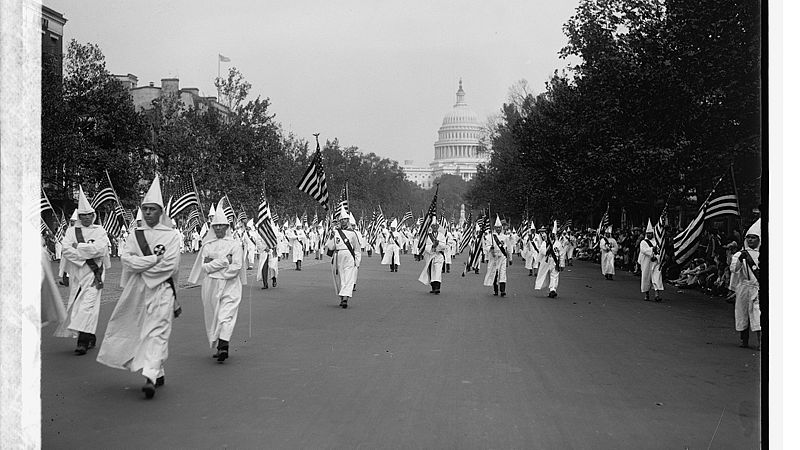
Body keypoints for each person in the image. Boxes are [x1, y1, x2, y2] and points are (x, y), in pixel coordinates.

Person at [97, 175, 182, 399]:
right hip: (137, 291)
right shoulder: (136, 234)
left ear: (160, 212)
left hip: (162, 289)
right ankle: (158, 369)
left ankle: (150, 376)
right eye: (144, 209)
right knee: (140, 329)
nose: (147, 213)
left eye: (152, 209)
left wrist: (143, 265)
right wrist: (153, 261)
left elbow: (170, 266)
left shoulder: (172, 236)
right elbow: (127, 260)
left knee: (158, 330)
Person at [53, 186, 111, 355]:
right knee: (79, 307)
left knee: (87, 305)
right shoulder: (72, 231)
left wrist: (79, 247)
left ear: (93, 215)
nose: (86, 218)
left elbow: (101, 250)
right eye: (83, 215)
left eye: (89, 215)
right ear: (79, 216)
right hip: (77, 275)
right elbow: (66, 250)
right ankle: (89, 335)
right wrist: (86, 250)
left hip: (94, 274)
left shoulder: (100, 230)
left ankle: (82, 342)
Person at [188, 200, 247, 362]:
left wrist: (217, 265)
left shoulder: (235, 245)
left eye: (222, 225)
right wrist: (223, 261)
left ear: (227, 227)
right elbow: (204, 267)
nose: (219, 228)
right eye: (216, 225)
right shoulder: (207, 245)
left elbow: (236, 266)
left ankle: (223, 346)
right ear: (213, 228)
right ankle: (219, 342)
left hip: (230, 284)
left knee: (226, 315)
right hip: (211, 285)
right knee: (213, 315)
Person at [730, 219, 761, 349]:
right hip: (743, 286)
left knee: (758, 315)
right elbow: (734, 269)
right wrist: (740, 259)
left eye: (753, 238)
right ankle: (744, 340)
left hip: (757, 288)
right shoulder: (739, 254)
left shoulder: (764, 255)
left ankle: (761, 342)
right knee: (742, 314)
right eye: (748, 238)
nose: (750, 240)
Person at [325, 207, 361, 308]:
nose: (343, 221)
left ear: (348, 221)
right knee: (340, 277)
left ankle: (346, 298)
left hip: (349, 256)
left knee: (349, 275)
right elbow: (331, 246)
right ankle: (342, 296)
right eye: (341, 220)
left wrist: (357, 262)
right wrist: (331, 237)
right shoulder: (336, 232)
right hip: (338, 255)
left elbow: (357, 248)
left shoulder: (353, 234)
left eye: (345, 219)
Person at [535, 223, 565, 298]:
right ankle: (551, 288)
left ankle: (552, 290)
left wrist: (561, 264)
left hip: (552, 261)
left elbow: (561, 254)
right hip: (548, 260)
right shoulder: (547, 243)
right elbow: (542, 252)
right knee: (550, 275)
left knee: (554, 275)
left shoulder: (553, 243)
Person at [483, 215, 511, 297]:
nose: (498, 229)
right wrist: (490, 248)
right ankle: (495, 289)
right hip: (494, 256)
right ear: (494, 227)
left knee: (503, 273)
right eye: (497, 227)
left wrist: (510, 258)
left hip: (502, 257)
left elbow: (508, 248)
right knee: (495, 273)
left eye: (499, 227)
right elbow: (486, 246)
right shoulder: (490, 237)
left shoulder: (505, 237)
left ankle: (503, 290)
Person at [418, 217, 446, 294]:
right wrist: (432, 247)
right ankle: (433, 287)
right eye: (433, 227)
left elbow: (444, 245)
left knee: (437, 271)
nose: (434, 228)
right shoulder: (428, 236)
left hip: (439, 256)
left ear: (438, 227)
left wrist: (438, 244)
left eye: (436, 227)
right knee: (431, 272)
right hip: (430, 256)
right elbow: (426, 246)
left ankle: (437, 288)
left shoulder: (441, 236)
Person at [639, 219, 663, 302]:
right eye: (648, 233)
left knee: (657, 277)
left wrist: (657, 256)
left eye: (650, 233)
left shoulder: (656, 242)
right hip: (646, 263)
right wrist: (653, 249)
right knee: (646, 278)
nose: (649, 235)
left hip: (655, 262)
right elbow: (644, 250)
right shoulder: (643, 242)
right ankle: (646, 294)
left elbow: (659, 251)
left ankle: (657, 294)